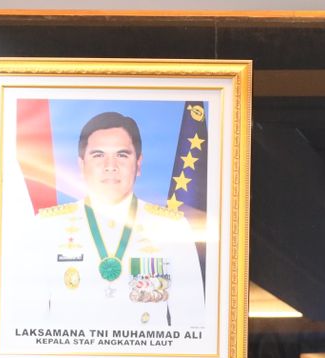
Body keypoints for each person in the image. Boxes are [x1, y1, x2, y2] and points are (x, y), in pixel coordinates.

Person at [29, 111, 205, 329]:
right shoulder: (46, 227)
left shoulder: (172, 228)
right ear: (81, 165)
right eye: (98, 155)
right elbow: (30, 322)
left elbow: (192, 326)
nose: (110, 165)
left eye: (122, 155)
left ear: (138, 164)